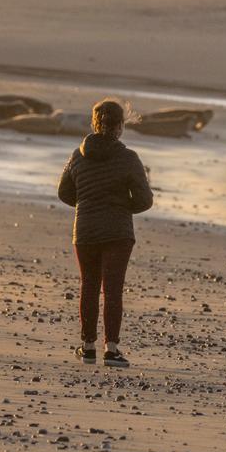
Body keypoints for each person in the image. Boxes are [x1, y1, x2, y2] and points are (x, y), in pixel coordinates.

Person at [58, 99, 154, 368]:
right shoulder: (129, 158)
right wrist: (122, 208)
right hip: (118, 231)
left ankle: (88, 347)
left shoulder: (77, 155)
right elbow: (145, 200)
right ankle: (111, 349)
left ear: (94, 124)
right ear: (120, 126)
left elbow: (64, 192)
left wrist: (87, 205)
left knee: (89, 285)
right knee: (112, 290)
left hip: (85, 230)